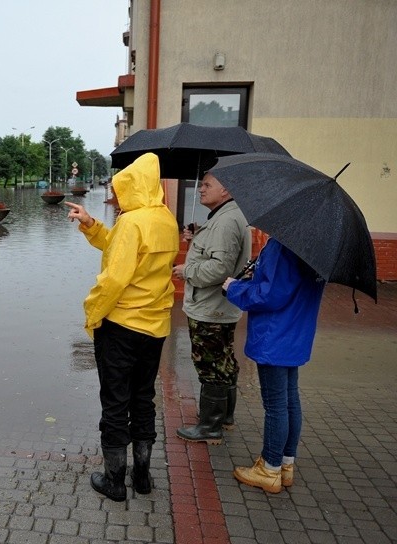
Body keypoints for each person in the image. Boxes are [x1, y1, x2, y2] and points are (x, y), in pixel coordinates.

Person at [65, 153, 179, 501]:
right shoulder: (165, 219)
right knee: (143, 399)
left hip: (122, 327)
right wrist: (91, 224)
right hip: (155, 328)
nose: (116, 197)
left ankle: (114, 482)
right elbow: (124, 249)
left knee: (115, 402)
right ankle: (142, 478)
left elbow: (114, 278)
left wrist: (92, 313)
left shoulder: (132, 223)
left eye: (119, 190)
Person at [222, 237, 325, 493]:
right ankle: (285, 465)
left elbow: (269, 294)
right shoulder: (316, 247)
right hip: (295, 333)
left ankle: (269, 468)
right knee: (290, 400)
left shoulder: (283, 245)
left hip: (275, 335)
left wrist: (234, 287)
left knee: (276, 405)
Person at [172, 173, 251, 444]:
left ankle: (210, 426)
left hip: (211, 307)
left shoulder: (226, 220)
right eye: (201, 184)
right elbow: (216, 254)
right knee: (223, 361)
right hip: (219, 306)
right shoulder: (223, 217)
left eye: (207, 185)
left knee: (210, 363)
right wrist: (198, 235)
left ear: (226, 190)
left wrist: (187, 270)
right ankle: (224, 417)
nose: (200, 190)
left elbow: (220, 268)